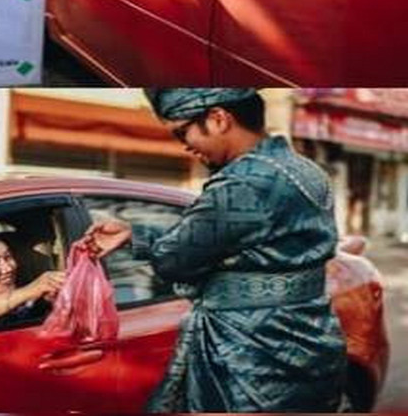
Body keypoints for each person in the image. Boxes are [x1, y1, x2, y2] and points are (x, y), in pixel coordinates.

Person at [82, 89, 345, 412]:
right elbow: (238, 240)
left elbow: (176, 260)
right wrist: (135, 235)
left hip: (250, 356)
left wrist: (151, 245)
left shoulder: (241, 185)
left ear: (219, 119)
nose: (184, 144)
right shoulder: (306, 170)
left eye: (183, 131)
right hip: (311, 338)